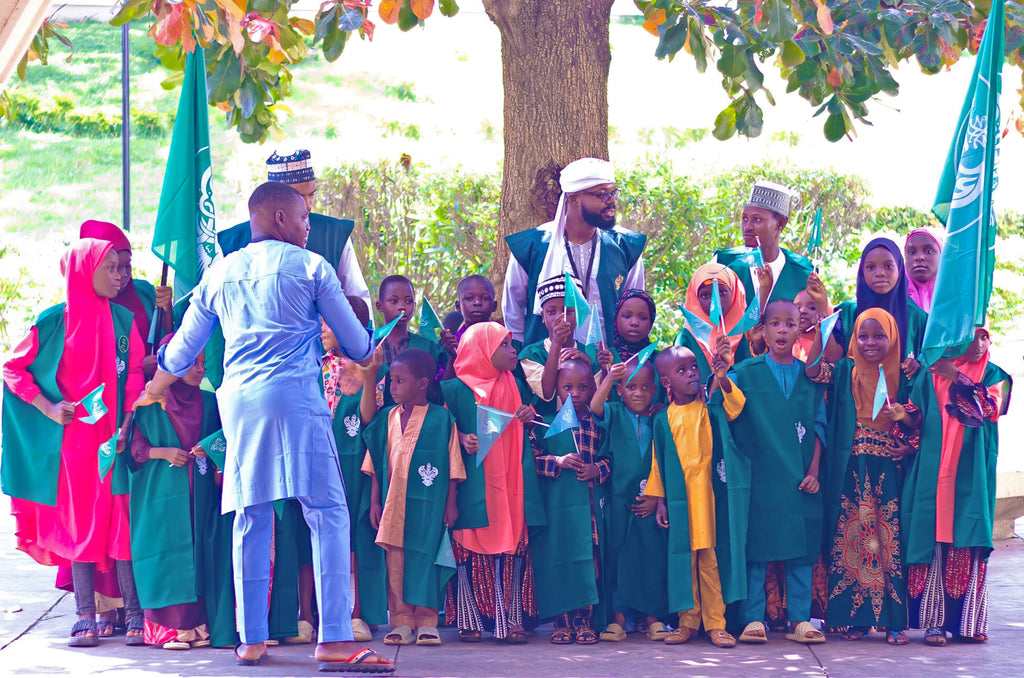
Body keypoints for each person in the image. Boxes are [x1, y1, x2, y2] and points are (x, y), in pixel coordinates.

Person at [132, 182, 392, 672]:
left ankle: (251, 639)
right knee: (328, 510)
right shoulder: (312, 267)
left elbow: (181, 352)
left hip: (241, 404)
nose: (307, 230)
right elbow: (358, 347)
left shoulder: (220, 272)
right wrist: (370, 343)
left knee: (251, 514)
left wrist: (158, 373)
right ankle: (335, 636)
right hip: (295, 398)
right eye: (303, 221)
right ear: (278, 217)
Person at [2, 238, 145, 647]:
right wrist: (47, 407)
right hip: (75, 447)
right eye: (112, 268)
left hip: (114, 443)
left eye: (121, 268)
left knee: (121, 522)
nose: (120, 276)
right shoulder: (52, 322)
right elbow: (13, 369)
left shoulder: (122, 320)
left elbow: (135, 373)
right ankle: (84, 615)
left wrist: (127, 423)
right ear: (86, 272)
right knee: (82, 525)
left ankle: (135, 614)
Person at [806, 308, 927, 645]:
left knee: (888, 543)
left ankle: (894, 623)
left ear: (892, 338)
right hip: (849, 467)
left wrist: (904, 416)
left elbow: (921, 419)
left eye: (879, 335)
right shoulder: (845, 369)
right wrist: (821, 328)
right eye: (863, 336)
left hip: (887, 469)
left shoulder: (904, 375)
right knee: (853, 541)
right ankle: (855, 619)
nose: (870, 342)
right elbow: (813, 370)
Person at [903, 327, 1012, 645]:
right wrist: (902, 424)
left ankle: (969, 624)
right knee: (934, 540)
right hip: (935, 474)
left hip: (971, 477)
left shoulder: (996, 375)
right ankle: (934, 624)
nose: (979, 345)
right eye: (972, 336)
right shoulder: (931, 373)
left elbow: (988, 410)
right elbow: (916, 417)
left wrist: (959, 377)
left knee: (969, 540)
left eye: (985, 337)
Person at [439, 322, 545, 643]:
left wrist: (527, 414)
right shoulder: (455, 389)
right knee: (471, 541)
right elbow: (439, 428)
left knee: (512, 542)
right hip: (474, 484)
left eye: (512, 345)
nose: (514, 351)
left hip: (512, 479)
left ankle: (512, 621)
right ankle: (469, 620)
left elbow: (529, 422)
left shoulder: (514, 383)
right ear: (483, 350)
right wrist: (458, 436)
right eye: (505, 345)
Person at [729, 300, 827, 645]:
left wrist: (814, 470)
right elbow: (721, 406)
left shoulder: (810, 376)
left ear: (800, 330)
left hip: (800, 478)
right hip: (759, 477)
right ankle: (753, 618)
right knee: (756, 547)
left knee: (800, 549)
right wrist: (718, 375)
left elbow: (818, 427)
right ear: (764, 330)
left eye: (790, 324)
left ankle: (800, 619)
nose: (782, 330)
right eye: (775, 324)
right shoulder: (744, 372)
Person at [128, 344, 235, 649]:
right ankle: (168, 630)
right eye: (191, 363)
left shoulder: (210, 401)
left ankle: (197, 627)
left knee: (197, 554)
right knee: (166, 555)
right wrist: (163, 453)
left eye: (202, 362)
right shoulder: (149, 403)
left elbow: (225, 439)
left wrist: (210, 447)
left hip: (199, 494)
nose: (200, 369)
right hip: (161, 495)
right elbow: (134, 449)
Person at [362, 349, 466, 646]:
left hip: (429, 508)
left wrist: (451, 503)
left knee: (426, 560)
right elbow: (374, 464)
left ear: (421, 384)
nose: (391, 387)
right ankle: (401, 620)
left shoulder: (441, 418)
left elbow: (453, 463)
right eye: (390, 381)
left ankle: (427, 620)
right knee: (396, 562)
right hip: (393, 505)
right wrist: (374, 502)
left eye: (399, 380)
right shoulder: (386, 419)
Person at [645, 346, 744, 648]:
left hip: (710, 500)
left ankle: (716, 623)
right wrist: (660, 500)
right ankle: (687, 621)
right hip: (680, 501)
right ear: (666, 383)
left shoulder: (710, 409)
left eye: (693, 367)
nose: (691, 374)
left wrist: (723, 379)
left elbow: (735, 407)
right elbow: (657, 461)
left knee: (710, 560)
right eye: (682, 370)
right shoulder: (664, 419)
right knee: (683, 562)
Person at [503, 157, 646, 347]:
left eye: (614, 193)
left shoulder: (626, 246)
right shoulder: (532, 246)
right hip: (546, 367)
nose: (611, 201)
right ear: (573, 198)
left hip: (609, 364)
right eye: (602, 194)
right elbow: (514, 311)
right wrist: (523, 361)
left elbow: (634, 305)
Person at [217, 150, 371, 310]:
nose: (308, 204)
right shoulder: (231, 242)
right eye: (297, 196)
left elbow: (358, 301)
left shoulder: (334, 234)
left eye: (311, 194)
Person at [530, 358, 611, 645]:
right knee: (561, 563)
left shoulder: (599, 424)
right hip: (559, 512)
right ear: (558, 390)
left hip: (589, 511)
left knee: (588, 564)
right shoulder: (545, 425)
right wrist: (558, 461)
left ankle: (584, 621)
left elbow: (611, 460)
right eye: (567, 388)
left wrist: (596, 470)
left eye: (583, 388)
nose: (575, 394)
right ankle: (561, 622)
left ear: (593, 389)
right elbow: (533, 462)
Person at [322, 299, 387, 643]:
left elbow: (366, 418)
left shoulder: (369, 365)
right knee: (326, 538)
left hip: (357, 461)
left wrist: (368, 375)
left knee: (360, 536)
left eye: (328, 321)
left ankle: (361, 612)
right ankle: (328, 612)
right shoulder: (316, 365)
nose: (321, 327)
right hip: (322, 458)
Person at [590, 360, 668, 642]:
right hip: (618, 501)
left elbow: (667, 460)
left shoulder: (660, 418)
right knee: (618, 559)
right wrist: (610, 378)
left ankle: (653, 618)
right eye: (631, 387)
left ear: (656, 390)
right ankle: (618, 619)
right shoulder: (614, 413)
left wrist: (657, 497)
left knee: (652, 559)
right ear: (620, 390)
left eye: (646, 387)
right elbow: (595, 406)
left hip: (651, 502)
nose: (639, 393)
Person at [832, 238, 927, 371]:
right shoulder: (846, 314)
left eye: (888, 266)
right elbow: (832, 360)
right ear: (862, 271)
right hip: (852, 391)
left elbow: (929, 364)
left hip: (903, 391)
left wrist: (917, 366)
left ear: (899, 269)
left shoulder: (918, 318)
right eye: (871, 267)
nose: (880, 273)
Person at [716, 180, 814, 305]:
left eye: (757, 219)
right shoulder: (723, 263)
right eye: (745, 219)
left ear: (780, 223)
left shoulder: (803, 272)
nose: (747, 227)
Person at [518, 275, 596, 418]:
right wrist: (556, 345)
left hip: (585, 431)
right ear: (542, 317)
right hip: (547, 432)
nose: (561, 317)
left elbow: (596, 401)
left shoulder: (591, 353)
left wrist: (588, 365)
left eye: (568, 312)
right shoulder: (532, 354)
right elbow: (547, 393)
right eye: (551, 312)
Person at [374, 275, 443, 408]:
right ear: (380, 306)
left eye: (408, 301)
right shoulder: (369, 344)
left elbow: (436, 390)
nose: (402, 307)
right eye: (394, 301)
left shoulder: (427, 346)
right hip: (377, 422)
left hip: (418, 420)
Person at [675, 263, 753, 378]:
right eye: (705, 295)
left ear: (734, 293)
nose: (715, 301)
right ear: (695, 299)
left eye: (721, 292)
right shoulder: (687, 337)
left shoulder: (749, 331)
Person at [439, 274, 499, 377]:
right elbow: (444, 388)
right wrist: (454, 355)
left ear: (494, 306)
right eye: (469, 298)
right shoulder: (449, 343)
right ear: (458, 306)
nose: (477, 302)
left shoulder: (503, 339)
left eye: (484, 298)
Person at [904, 229, 942, 313]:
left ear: (942, 256)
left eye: (929, 251)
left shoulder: (955, 297)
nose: (919, 257)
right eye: (911, 252)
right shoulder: (895, 298)